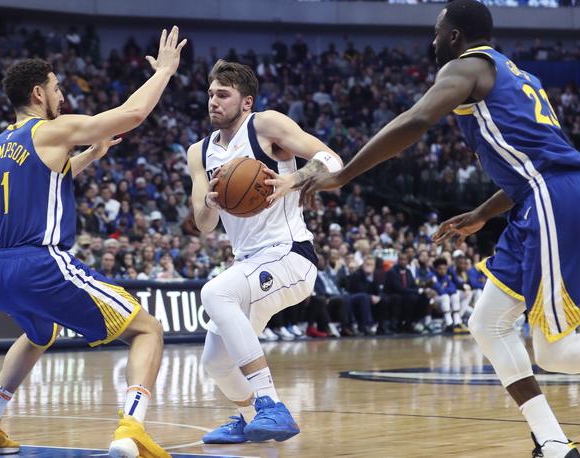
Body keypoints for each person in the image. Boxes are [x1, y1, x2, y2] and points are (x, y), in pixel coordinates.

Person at [295, 1, 580, 456]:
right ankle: (551, 442)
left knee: (554, 352)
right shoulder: (515, 74)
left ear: (453, 37)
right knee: (486, 324)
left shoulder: (467, 67)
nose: (432, 40)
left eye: (436, 31)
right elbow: (532, 165)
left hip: (550, 198)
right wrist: (484, 213)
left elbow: (416, 120)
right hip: (533, 199)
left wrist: (344, 173)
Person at [0, 27, 186, 458]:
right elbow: (132, 114)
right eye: (57, 88)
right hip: (38, 263)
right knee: (146, 329)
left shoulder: (0, 144)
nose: (62, 96)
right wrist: (166, 72)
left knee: (38, 332)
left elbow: (40, 188)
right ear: (39, 93)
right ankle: (131, 428)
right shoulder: (50, 130)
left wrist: (90, 157)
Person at [186, 59, 342, 444]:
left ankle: (272, 405)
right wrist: (209, 201)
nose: (213, 101)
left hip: (291, 255)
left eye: (223, 94)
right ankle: (248, 415)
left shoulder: (265, 124)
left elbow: (331, 160)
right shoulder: (198, 152)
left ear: (246, 101)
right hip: (250, 264)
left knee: (214, 292)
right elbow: (204, 224)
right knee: (215, 362)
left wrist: (294, 179)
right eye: (210, 94)